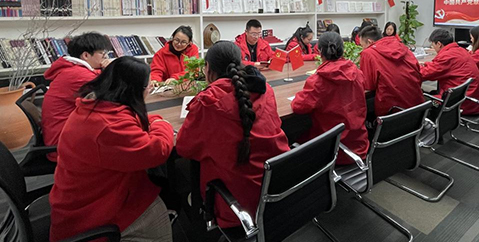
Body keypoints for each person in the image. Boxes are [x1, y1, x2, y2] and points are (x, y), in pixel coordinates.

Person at [49, 57, 175, 242]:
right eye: (147, 85)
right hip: (88, 216)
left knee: (161, 185)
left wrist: (151, 121)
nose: (149, 89)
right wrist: (161, 123)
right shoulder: (108, 126)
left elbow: (136, 130)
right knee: (164, 199)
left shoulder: (95, 106)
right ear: (133, 89)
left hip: (83, 196)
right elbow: (157, 150)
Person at [175, 41, 289, 228]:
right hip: (277, 188)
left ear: (208, 68)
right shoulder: (264, 89)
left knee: (184, 174)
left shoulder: (208, 103)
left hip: (238, 204)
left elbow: (184, 148)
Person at [291, 32, 369, 164]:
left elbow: (298, 106)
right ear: (343, 50)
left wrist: (299, 94)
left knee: (294, 137)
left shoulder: (318, 81)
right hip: (358, 145)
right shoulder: (357, 73)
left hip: (331, 151)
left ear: (320, 52)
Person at [41, 32, 112, 158]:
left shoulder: (72, 69)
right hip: (65, 146)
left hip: (65, 133)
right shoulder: (79, 75)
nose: (106, 57)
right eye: (102, 53)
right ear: (86, 55)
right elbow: (114, 96)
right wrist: (111, 70)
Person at [358, 25, 425, 118]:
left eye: (362, 46)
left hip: (392, 114)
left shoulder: (368, 53)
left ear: (370, 42)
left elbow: (368, 86)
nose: (362, 49)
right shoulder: (401, 46)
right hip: (417, 108)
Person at [420, 29, 479, 115]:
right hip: (469, 100)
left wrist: (414, 66)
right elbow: (440, 67)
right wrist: (426, 64)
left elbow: (425, 74)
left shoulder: (447, 56)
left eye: (433, 45)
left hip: (458, 104)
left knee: (419, 98)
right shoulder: (460, 50)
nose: (433, 48)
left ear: (439, 44)